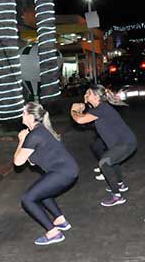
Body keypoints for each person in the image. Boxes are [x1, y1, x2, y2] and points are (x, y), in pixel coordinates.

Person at [14, 102, 78, 246]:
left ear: (30, 117)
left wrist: (21, 140)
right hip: (68, 170)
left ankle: (53, 233)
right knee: (42, 192)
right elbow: (31, 161)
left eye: (23, 113)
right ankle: (60, 221)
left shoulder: (34, 135)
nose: (21, 115)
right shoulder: (41, 130)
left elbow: (18, 162)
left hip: (63, 172)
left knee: (28, 199)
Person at [70, 85, 136, 207]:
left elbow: (80, 120)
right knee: (110, 159)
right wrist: (80, 111)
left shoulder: (102, 108)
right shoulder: (98, 109)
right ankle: (120, 184)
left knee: (104, 163)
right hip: (121, 143)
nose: (85, 95)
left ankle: (117, 196)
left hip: (126, 143)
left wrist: (74, 110)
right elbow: (84, 120)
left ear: (96, 97)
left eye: (88, 93)